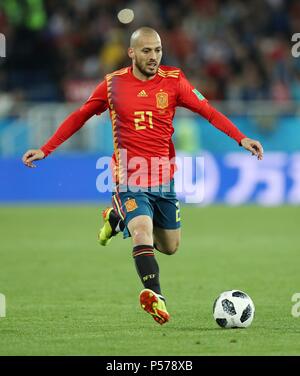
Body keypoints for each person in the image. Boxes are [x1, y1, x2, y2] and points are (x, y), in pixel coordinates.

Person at [22, 27, 264, 325]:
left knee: (170, 247)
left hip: (164, 179)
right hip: (129, 176)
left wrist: (241, 138)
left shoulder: (174, 81)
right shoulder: (112, 85)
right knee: (141, 232)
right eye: (147, 51)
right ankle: (155, 296)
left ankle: (115, 217)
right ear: (132, 53)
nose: (154, 57)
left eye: (158, 50)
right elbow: (79, 116)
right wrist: (46, 149)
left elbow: (209, 111)